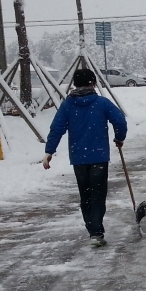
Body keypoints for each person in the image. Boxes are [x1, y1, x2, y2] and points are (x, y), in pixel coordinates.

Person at [42, 68, 127, 247]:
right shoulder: (102, 103)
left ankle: (93, 231)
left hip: (79, 158)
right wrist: (119, 138)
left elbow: (57, 128)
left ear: (74, 84)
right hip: (99, 157)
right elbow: (119, 120)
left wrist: (49, 151)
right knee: (98, 195)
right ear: (93, 83)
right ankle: (97, 231)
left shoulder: (68, 105)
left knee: (86, 195)